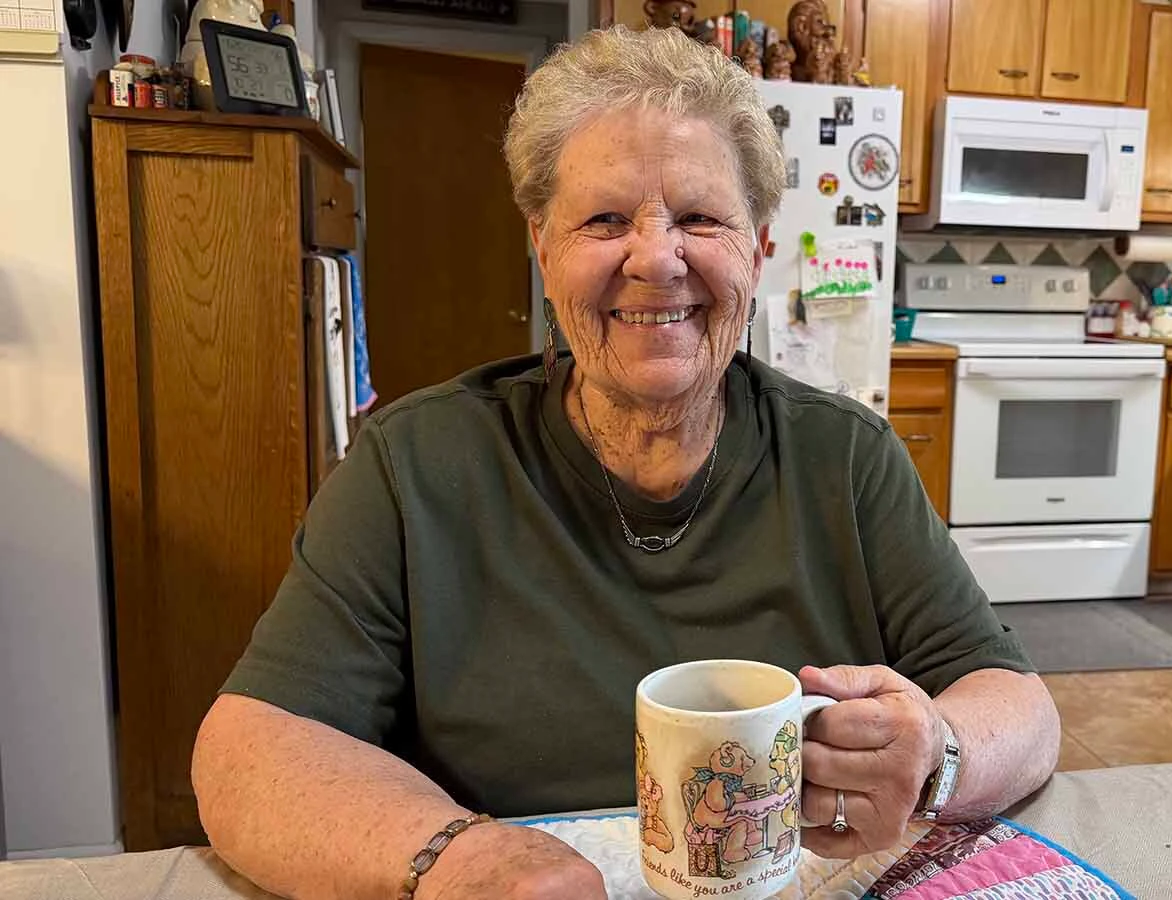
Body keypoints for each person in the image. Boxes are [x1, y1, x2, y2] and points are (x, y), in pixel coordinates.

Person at [191, 25, 1059, 900]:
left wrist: (937, 754)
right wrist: (460, 857)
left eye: (699, 218)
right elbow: (250, 751)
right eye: (605, 219)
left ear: (758, 249)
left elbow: (1020, 707)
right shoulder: (412, 466)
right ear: (543, 248)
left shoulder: (846, 457)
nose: (655, 258)